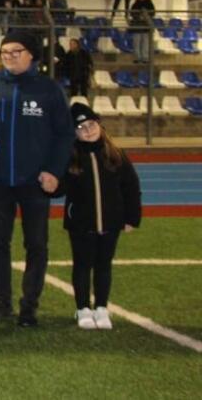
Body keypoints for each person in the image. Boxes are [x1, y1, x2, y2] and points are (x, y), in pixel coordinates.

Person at [0, 30, 74, 327]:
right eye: (5, 52)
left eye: (16, 51)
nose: (9, 57)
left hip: (35, 182)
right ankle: (1, 303)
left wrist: (54, 170)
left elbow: (64, 134)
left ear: (31, 54)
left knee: (36, 245)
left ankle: (29, 307)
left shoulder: (49, 90)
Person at [59, 103, 142, 330]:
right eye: (81, 127)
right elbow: (59, 188)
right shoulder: (70, 157)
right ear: (74, 132)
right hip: (80, 224)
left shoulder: (115, 154)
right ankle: (83, 308)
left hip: (111, 222)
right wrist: (48, 184)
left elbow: (131, 187)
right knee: (82, 265)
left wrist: (131, 217)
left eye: (91, 125)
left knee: (104, 265)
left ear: (99, 125)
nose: (88, 130)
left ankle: (102, 307)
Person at [129, 0, 155, 64]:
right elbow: (132, 13)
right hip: (137, 26)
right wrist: (139, 16)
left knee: (145, 43)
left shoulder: (149, 3)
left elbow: (153, 12)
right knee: (136, 43)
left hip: (146, 27)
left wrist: (145, 16)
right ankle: (137, 58)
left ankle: (145, 58)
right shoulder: (135, 4)